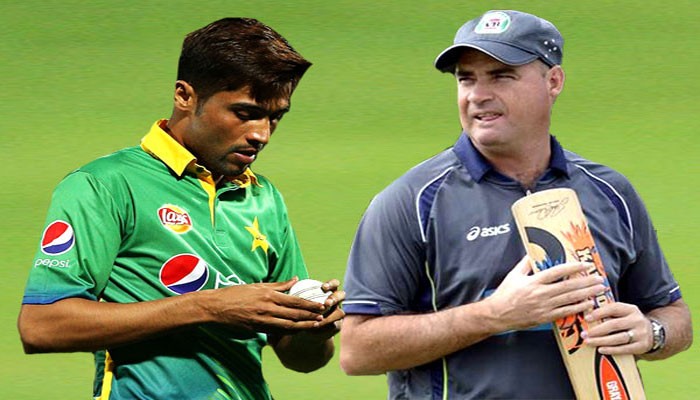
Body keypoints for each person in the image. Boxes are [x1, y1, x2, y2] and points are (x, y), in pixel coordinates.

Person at [339, 9, 692, 399]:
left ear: (553, 81)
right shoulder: (413, 201)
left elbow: (673, 315)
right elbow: (357, 350)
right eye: (466, 78)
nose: (477, 95)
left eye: (501, 76)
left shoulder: (609, 192)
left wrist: (652, 333)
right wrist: (493, 315)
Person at [18, 17, 345, 400]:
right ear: (185, 96)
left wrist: (313, 329)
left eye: (275, 117)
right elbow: (41, 326)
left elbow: (303, 360)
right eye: (245, 113)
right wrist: (209, 307)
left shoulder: (264, 197)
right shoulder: (105, 185)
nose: (262, 134)